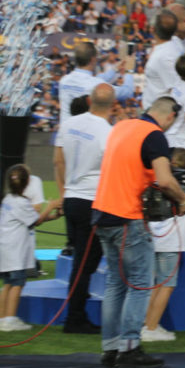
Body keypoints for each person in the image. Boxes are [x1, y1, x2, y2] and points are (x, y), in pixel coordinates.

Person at [92, 96, 185, 368]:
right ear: (170, 116)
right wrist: (183, 199)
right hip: (127, 216)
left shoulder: (122, 126)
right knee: (139, 283)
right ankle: (130, 347)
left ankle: (110, 347)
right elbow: (165, 179)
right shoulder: (154, 135)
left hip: (103, 212)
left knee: (115, 284)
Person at [53, 83, 114, 334]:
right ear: (112, 104)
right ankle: (75, 317)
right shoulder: (108, 131)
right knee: (85, 263)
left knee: (81, 260)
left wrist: (63, 194)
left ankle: (75, 314)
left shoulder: (68, 124)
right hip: (93, 199)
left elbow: (58, 160)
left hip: (72, 197)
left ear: (90, 100)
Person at [141, 147, 185, 342]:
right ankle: (151, 328)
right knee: (166, 284)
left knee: (155, 283)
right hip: (171, 239)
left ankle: (148, 324)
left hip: (152, 235)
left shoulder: (156, 180)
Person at [0, 165, 62, 332]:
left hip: (6, 250)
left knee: (7, 283)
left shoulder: (8, 199)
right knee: (17, 284)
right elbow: (35, 221)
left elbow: (32, 219)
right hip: (15, 251)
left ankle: (2, 317)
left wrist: (54, 216)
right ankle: (10, 320)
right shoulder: (22, 203)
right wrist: (50, 206)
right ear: (27, 183)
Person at [57, 41, 134, 146]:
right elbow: (127, 92)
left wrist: (115, 69)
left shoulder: (64, 81)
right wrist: (129, 70)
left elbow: (93, 80)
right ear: (93, 59)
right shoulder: (95, 86)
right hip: (85, 140)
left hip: (63, 138)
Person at [141, 9, 182, 109]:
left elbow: (175, 89)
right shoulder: (175, 43)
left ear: (152, 29)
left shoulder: (163, 57)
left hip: (158, 114)